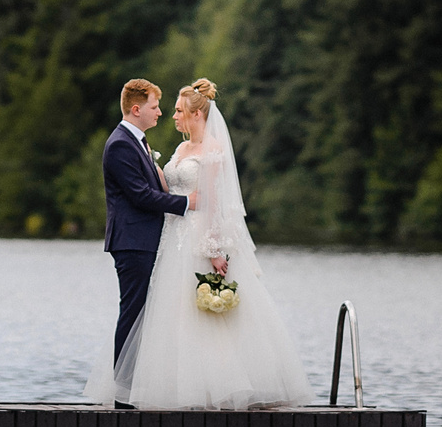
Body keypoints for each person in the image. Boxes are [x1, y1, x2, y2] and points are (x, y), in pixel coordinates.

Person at [87, 79, 310, 410]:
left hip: (193, 237)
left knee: (196, 315)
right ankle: (145, 390)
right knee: (159, 314)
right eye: (161, 108)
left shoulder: (212, 152)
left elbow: (215, 204)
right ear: (137, 108)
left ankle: (215, 386)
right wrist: (179, 198)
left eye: (177, 110)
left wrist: (215, 249)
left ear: (195, 114)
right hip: (166, 238)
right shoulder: (170, 149)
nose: (168, 115)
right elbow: (152, 192)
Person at [97, 78, 190, 391]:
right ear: (136, 109)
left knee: (141, 313)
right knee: (133, 313)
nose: (160, 113)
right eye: (154, 106)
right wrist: (188, 203)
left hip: (142, 240)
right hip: (132, 242)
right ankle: (123, 391)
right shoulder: (121, 144)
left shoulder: (136, 141)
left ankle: (133, 386)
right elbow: (140, 196)